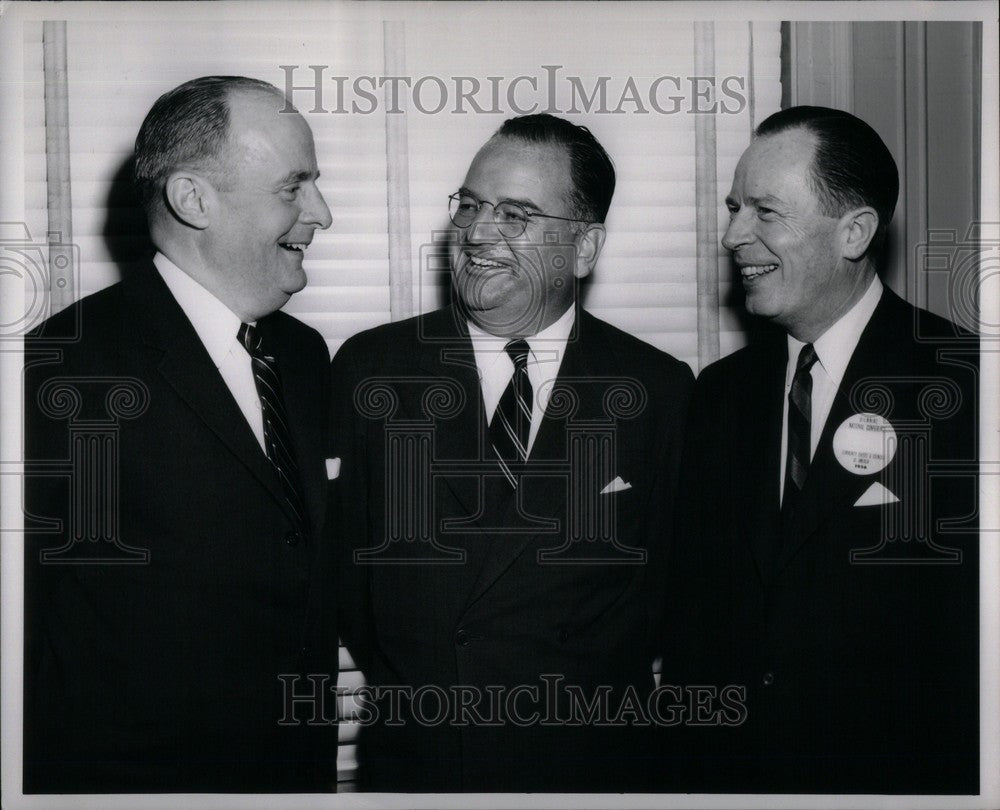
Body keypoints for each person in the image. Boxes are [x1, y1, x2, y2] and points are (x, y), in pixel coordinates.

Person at [331, 113, 694, 791]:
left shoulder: (659, 391)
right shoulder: (372, 371)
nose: (475, 233)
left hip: (587, 777)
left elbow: (664, 599)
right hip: (422, 770)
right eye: (469, 205)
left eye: (515, 216)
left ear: (583, 248)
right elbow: (351, 584)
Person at [23, 76, 338, 792]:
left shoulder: (306, 356)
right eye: (294, 188)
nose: (321, 213)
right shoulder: (59, 369)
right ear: (193, 198)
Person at [661, 106, 978, 793]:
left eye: (765, 212)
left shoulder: (965, 385)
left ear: (855, 232)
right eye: (734, 207)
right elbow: (694, 626)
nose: (732, 235)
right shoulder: (719, 396)